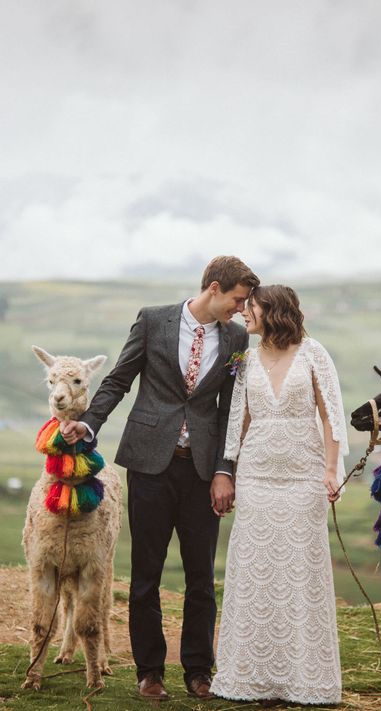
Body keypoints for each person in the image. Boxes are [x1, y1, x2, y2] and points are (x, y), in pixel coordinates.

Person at [60, 256, 260, 701]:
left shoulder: (237, 337)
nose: (241, 309)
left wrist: (226, 470)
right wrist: (88, 425)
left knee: (201, 577)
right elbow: (119, 379)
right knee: (146, 574)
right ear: (213, 287)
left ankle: (198, 672)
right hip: (149, 464)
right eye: (237, 299)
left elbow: (230, 406)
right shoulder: (153, 321)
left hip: (204, 471)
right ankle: (150, 672)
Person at [210, 284, 348, 707]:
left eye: (249, 308)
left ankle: (304, 679)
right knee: (253, 572)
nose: (243, 315)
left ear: (272, 311)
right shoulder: (247, 358)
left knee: (299, 574)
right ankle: (249, 676)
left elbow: (331, 416)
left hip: (303, 479)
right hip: (257, 478)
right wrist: (229, 469)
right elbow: (241, 419)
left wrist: (329, 469)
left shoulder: (313, 354)